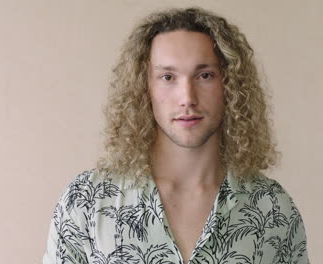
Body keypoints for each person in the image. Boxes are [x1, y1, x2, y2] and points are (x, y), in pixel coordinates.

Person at [43, 7, 309, 264]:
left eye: (205, 75)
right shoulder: (86, 201)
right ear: (143, 87)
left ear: (230, 85)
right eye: (168, 77)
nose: (187, 98)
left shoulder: (272, 207)